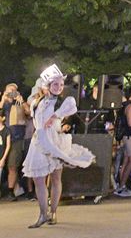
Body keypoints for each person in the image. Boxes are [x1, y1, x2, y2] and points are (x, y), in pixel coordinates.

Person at [23, 65, 95, 227]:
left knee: (55, 178)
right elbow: (33, 116)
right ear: (47, 85)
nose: (59, 87)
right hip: (38, 141)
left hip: (54, 140)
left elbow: (71, 106)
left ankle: (53, 212)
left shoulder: (62, 102)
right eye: (55, 84)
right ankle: (43, 214)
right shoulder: (37, 102)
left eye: (61, 84)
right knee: (38, 179)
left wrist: (54, 116)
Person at [2, 84, 29, 200]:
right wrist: (3, 100)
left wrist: (22, 101)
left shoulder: (20, 103)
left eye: (14, 91)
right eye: (10, 91)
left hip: (16, 138)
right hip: (3, 137)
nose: (12, 93)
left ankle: (10, 191)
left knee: (12, 166)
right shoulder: (3, 104)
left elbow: (29, 112)